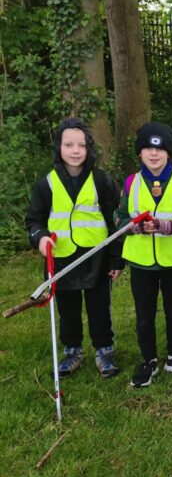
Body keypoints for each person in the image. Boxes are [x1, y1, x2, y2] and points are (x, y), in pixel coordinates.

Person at [25, 118, 123, 378]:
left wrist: (116, 261)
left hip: (96, 256)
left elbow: (115, 222)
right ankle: (72, 351)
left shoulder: (102, 181)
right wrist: (41, 238)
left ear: (89, 148)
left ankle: (104, 349)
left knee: (99, 306)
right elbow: (34, 220)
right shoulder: (46, 184)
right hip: (61, 257)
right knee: (67, 308)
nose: (76, 150)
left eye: (81, 145)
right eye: (69, 144)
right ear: (59, 147)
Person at [117, 122, 172, 388]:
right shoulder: (131, 182)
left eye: (160, 149)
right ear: (140, 153)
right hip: (141, 261)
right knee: (144, 315)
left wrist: (170, 226)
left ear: (168, 152)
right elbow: (118, 218)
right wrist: (133, 227)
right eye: (147, 148)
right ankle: (148, 361)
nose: (153, 154)